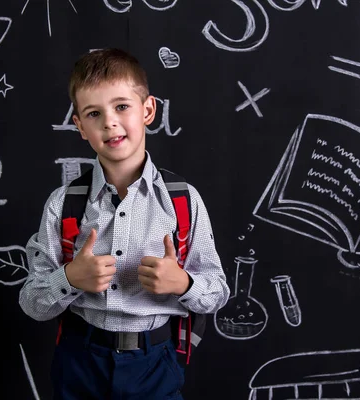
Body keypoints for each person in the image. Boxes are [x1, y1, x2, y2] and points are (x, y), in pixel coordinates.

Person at [19, 48, 230, 400]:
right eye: (93, 113)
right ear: (80, 126)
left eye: (121, 106)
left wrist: (183, 283)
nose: (109, 122)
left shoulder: (182, 201)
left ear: (147, 111)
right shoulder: (63, 203)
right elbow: (32, 303)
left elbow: (217, 293)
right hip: (81, 359)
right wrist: (69, 278)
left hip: (155, 362)